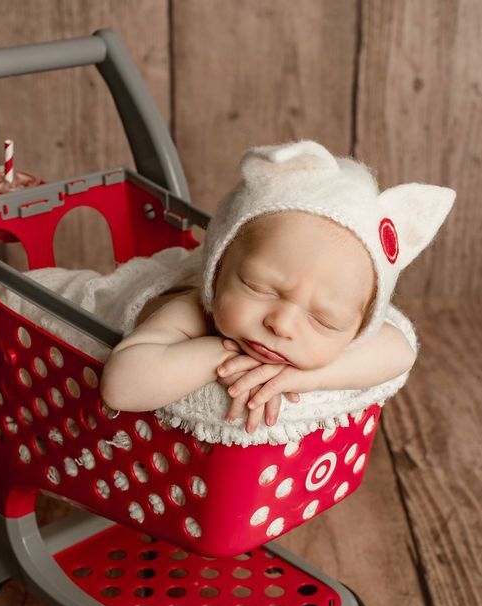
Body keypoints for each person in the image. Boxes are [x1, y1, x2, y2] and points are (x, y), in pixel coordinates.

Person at [99, 140, 456, 434]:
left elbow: (400, 352)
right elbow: (120, 387)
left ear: (357, 330)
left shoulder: (346, 315)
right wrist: (225, 358)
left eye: (325, 320)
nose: (282, 324)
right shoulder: (189, 309)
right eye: (260, 287)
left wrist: (306, 378)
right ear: (219, 267)